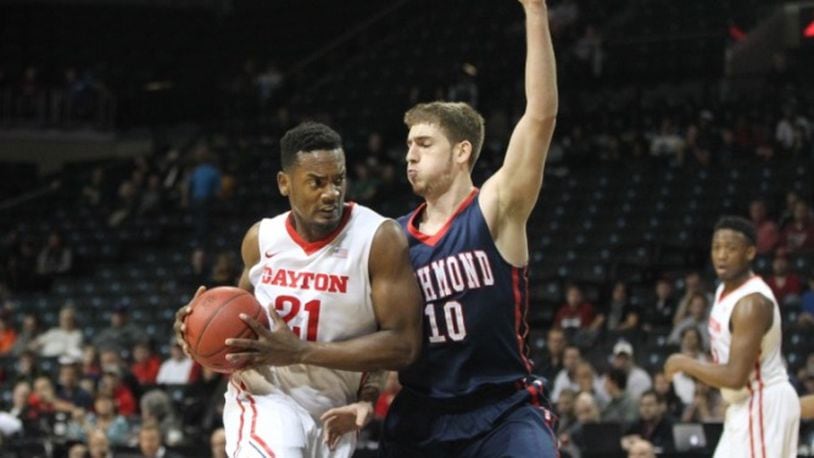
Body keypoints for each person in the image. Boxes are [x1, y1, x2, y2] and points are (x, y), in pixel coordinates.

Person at [174, 122, 423, 457]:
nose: (332, 192)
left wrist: (308, 356)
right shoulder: (261, 239)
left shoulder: (378, 239)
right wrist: (195, 333)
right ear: (284, 183)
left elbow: (403, 345)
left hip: (334, 411)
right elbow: (237, 328)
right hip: (265, 396)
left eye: (339, 179)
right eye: (317, 183)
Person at [381, 0, 559, 455]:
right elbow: (373, 332)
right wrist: (364, 398)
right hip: (422, 415)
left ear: (462, 152)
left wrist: (535, 13)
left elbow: (539, 116)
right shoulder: (390, 238)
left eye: (423, 144)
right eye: (408, 146)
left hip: (503, 409)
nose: (410, 156)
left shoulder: (496, 208)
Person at [664, 216, 800, 457]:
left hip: (763, 404)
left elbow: (735, 376)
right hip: (742, 405)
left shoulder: (751, 303)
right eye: (716, 247)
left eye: (731, 248)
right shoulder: (722, 290)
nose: (721, 255)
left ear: (749, 252)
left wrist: (684, 362)